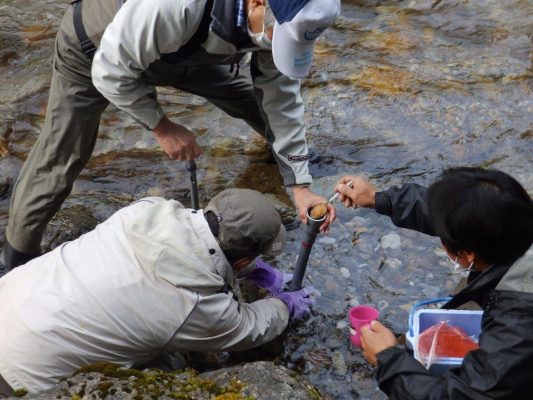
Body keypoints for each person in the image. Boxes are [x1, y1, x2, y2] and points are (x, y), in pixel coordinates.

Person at [0, 0, 341, 271]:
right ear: (255, 3)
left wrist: (299, 184)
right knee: (61, 158)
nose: (274, 44)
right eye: (277, 37)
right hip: (94, 49)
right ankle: (17, 260)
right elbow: (110, 71)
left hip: (179, 54)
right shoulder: (177, 5)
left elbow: (281, 100)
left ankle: (286, 165)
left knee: (259, 105)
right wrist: (162, 127)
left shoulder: (272, 20)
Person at [0, 188, 316, 395]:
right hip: (23, 381)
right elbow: (248, 328)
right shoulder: (193, 305)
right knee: (169, 371)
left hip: (9, 298)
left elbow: (196, 252)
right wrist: (283, 306)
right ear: (246, 258)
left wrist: (242, 270)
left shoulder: (148, 209)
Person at [334, 168, 533, 399]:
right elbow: (456, 212)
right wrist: (380, 197)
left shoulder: (518, 326)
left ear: (467, 253)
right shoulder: (516, 218)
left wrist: (388, 359)